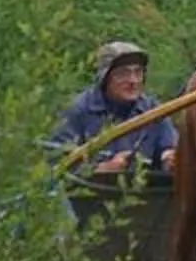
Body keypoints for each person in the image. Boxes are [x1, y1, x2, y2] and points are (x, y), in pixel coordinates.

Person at [49, 40, 177, 179]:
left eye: (138, 72)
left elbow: (168, 146)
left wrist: (169, 159)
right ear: (105, 77)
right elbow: (57, 165)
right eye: (123, 73)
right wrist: (103, 169)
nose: (133, 81)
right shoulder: (78, 110)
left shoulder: (153, 110)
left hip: (142, 193)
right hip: (88, 195)